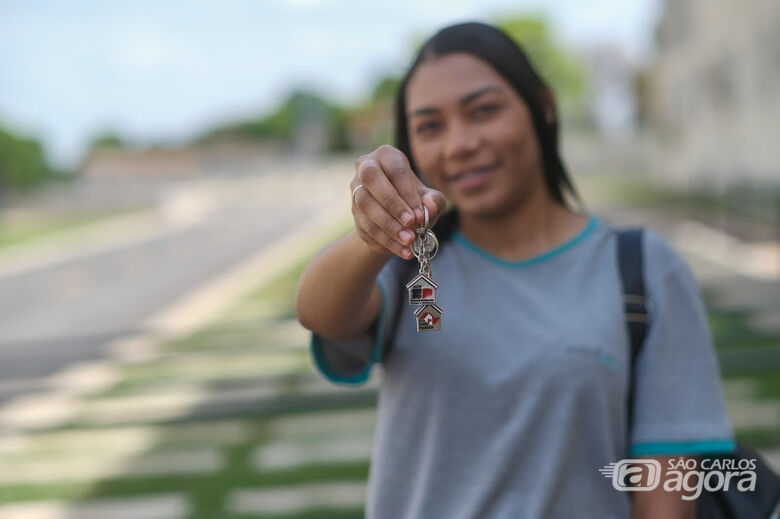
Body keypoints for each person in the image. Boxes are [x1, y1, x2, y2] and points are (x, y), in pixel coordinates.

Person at [295, 21, 735, 519]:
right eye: (430, 126)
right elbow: (320, 313)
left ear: (542, 106)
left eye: (483, 111)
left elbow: (666, 484)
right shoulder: (408, 268)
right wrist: (373, 234)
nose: (459, 143)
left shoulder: (645, 268)